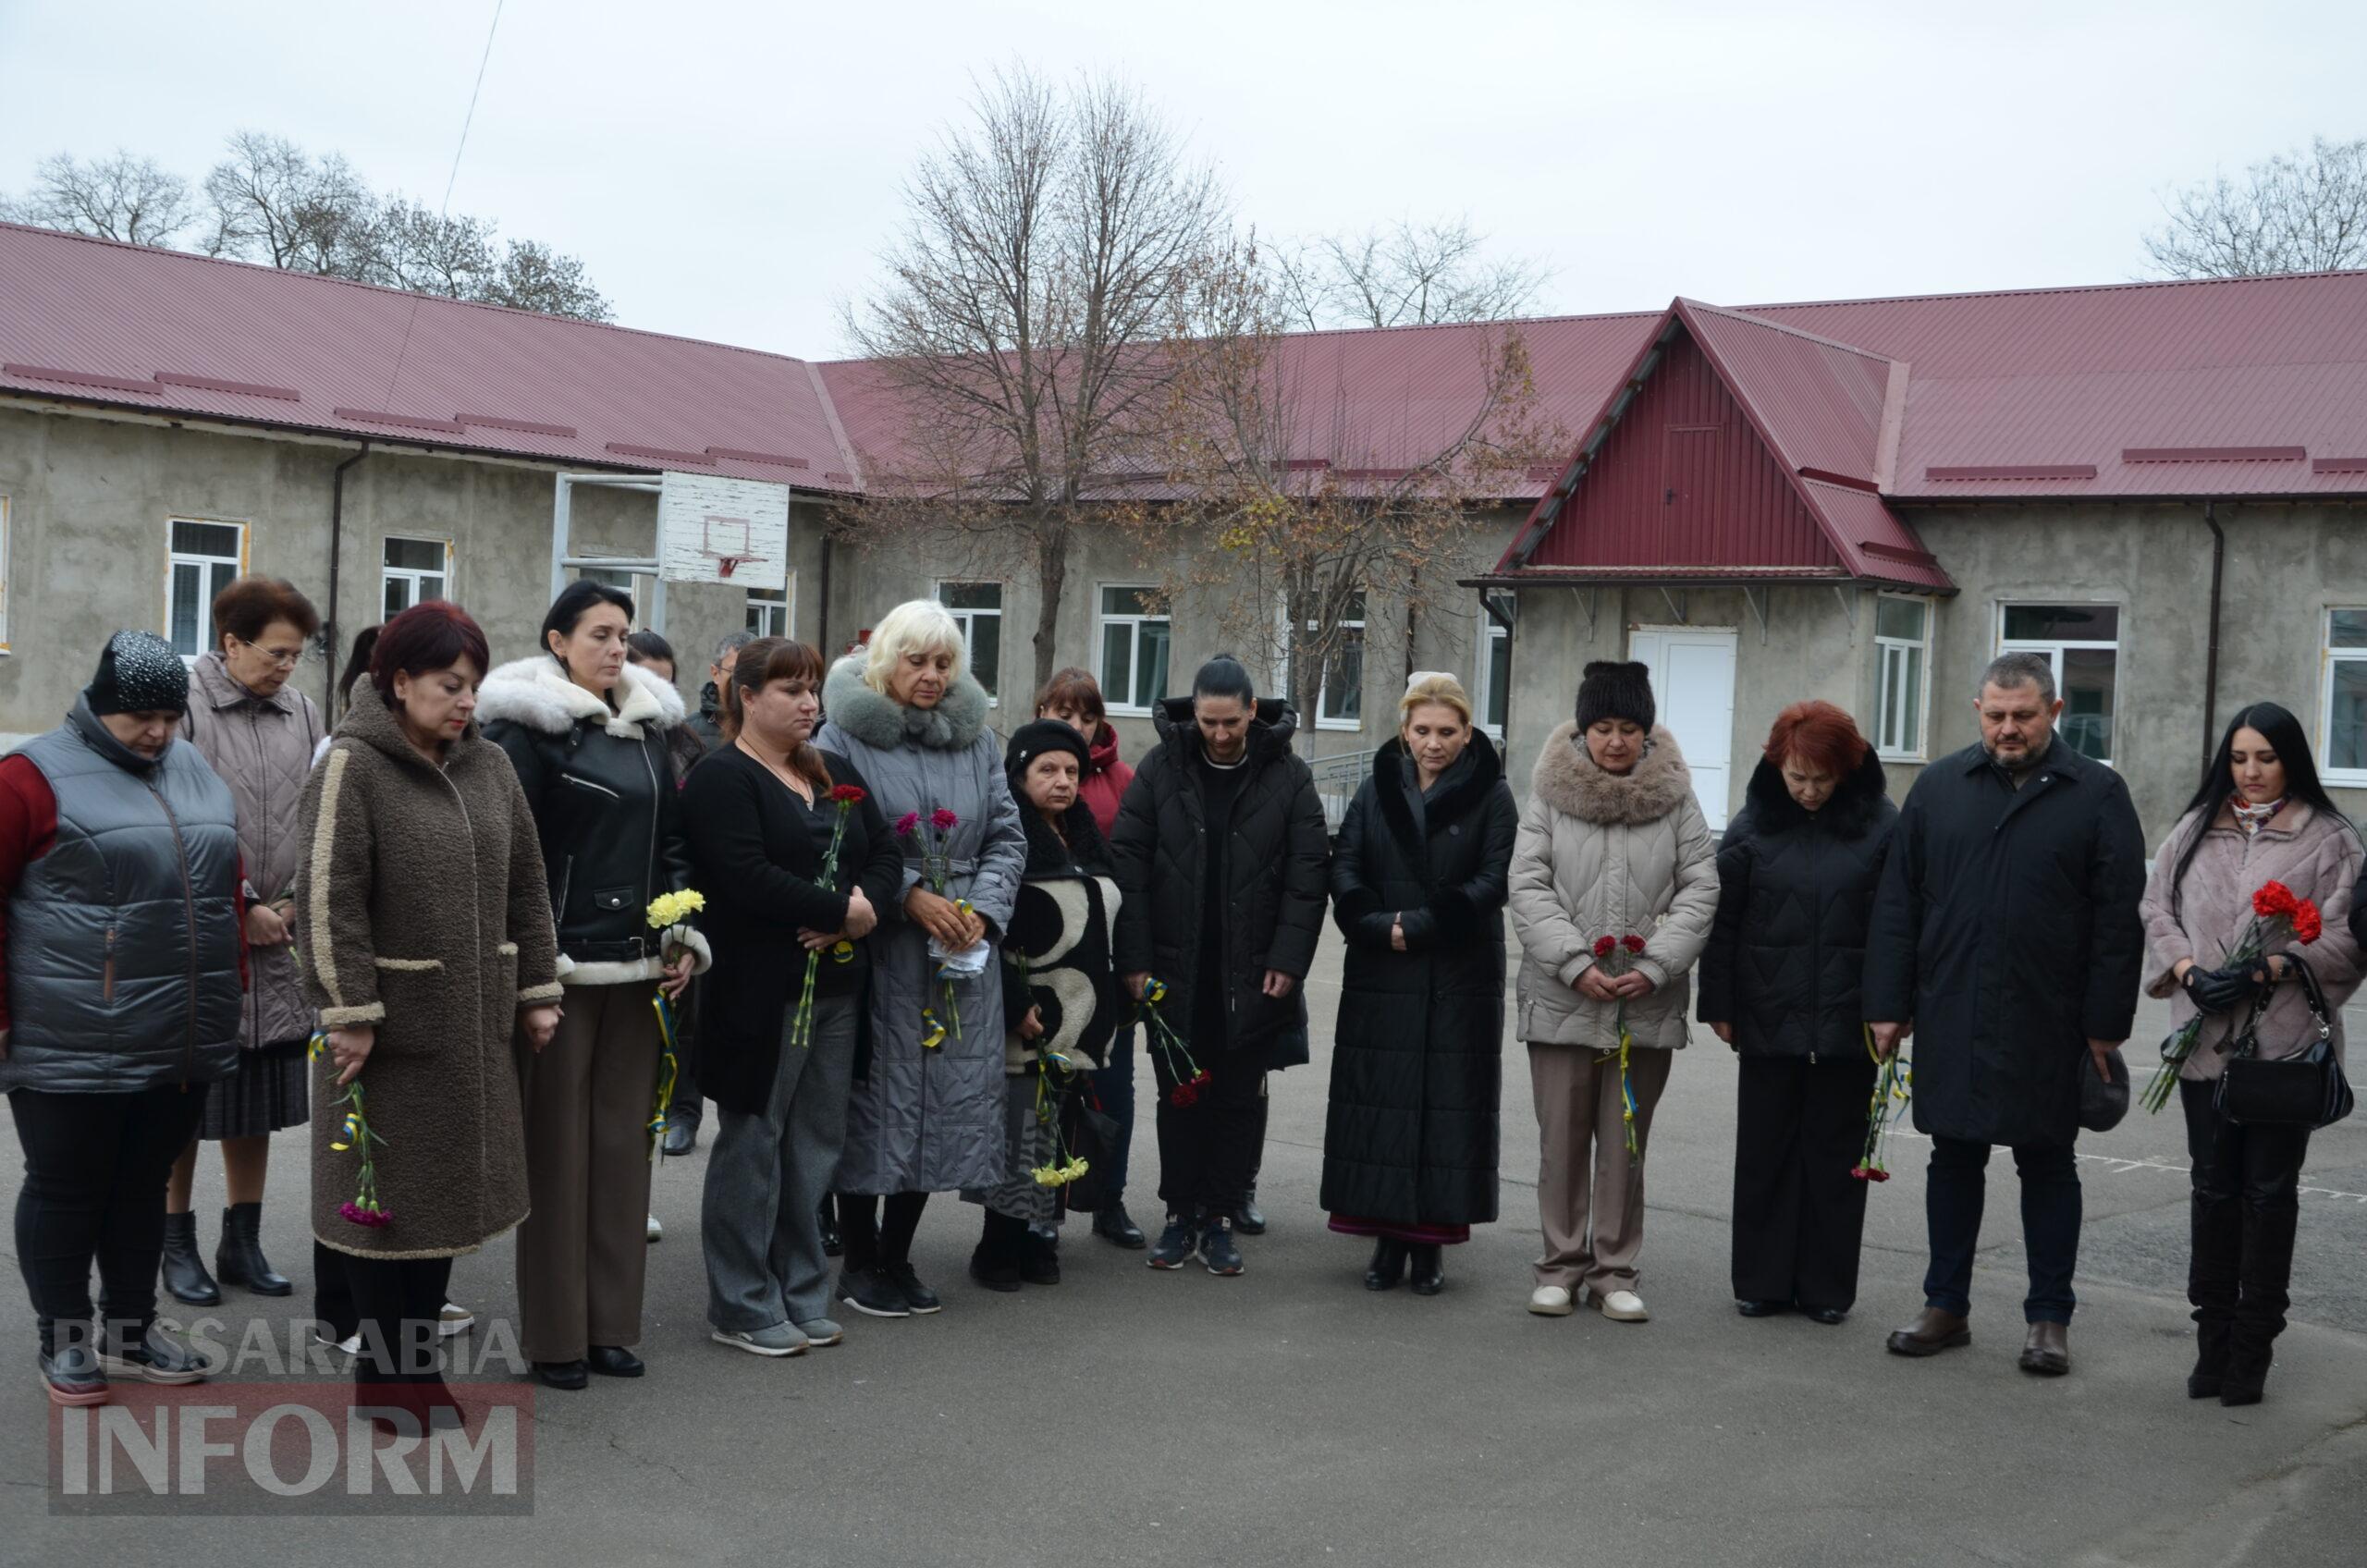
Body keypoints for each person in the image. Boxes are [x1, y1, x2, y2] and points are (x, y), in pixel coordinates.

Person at [295, 601, 564, 1430]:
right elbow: (324, 894)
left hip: (473, 1030)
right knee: (384, 1214)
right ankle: (384, 1380)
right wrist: (348, 1010)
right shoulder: (352, 764)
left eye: (474, 686)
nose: (465, 702)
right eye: (450, 685)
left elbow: (527, 883)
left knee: (447, 1205)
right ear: (399, 681)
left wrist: (539, 989)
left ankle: (417, 1373)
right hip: (383, 1035)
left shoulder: (488, 767)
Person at [1867, 652, 2145, 1377]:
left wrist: (2104, 1024)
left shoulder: (2097, 793)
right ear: (1977, 712)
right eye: (1996, 715)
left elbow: (2119, 921)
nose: (2008, 728)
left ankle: (2049, 1318)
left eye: (2023, 715)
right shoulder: (1937, 788)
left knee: (2047, 1162)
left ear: (2054, 712)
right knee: (1952, 1156)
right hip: (1954, 1004)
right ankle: (1945, 1306)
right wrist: (1888, 1005)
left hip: (2048, 1016)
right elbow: (1899, 903)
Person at [0, 631, 241, 1405]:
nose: (159, 732)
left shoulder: (192, 767)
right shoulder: (28, 777)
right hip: (67, 1032)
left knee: (142, 1185)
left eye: (171, 715)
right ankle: (64, 1340)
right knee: (68, 1187)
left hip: (179, 1033)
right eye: (140, 716)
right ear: (99, 706)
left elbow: (223, 888)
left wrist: (230, 985)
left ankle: (132, 1332)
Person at [479, 580, 708, 1390]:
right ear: (556, 641)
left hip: (642, 968)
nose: (616, 649)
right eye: (600, 635)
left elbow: (675, 845)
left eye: (623, 636)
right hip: (563, 972)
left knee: (620, 1152)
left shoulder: (654, 727)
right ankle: (555, 1337)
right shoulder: (522, 730)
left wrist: (684, 935)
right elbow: (510, 859)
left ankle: (611, 1327)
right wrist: (533, 972)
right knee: (557, 1155)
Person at [683, 638, 903, 1356]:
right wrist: (843, 909)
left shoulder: (830, 768)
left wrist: (858, 904)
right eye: (791, 691)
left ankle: (800, 1290)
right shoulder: (723, 778)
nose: (810, 703)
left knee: (815, 1146)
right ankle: (742, 1304)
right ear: (748, 697)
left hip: (838, 988)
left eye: (813, 689)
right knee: (755, 1141)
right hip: (759, 992)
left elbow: (886, 851)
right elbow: (743, 876)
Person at [2139, 702, 2361, 1405]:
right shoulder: (2197, 827)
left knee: (2269, 1194)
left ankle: (2254, 1345)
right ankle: (2212, 1337)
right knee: (2212, 1190)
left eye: (2265, 757)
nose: (2251, 771)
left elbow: (2351, 936)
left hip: (2282, 1051)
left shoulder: (2330, 838)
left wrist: (2275, 966)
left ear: (2290, 759)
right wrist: (2186, 972)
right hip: (2202, 1044)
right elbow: (2155, 907)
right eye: (2239, 758)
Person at [813, 600, 1025, 1317]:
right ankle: (860, 1259)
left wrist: (983, 909)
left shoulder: (977, 741)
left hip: (962, 949)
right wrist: (910, 895)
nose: (931, 676)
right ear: (885, 662)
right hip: (882, 948)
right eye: (916, 661)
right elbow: (834, 836)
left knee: (948, 1105)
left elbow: (1006, 835)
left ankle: (899, 1259)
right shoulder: (843, 734)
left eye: (944, 663)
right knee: (877, 1103)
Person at [1509, 662, 1717, 1323]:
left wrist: (1657, 965)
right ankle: (1560, 1266)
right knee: (1562, 1141)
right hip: (1565, 998)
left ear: (1647, 732)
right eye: (1603, 728)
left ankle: (1615, 1270)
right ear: (1583, 728)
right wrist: (1573, 962)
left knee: (1624, 1141)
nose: (1616, 742)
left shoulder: (1677, 799)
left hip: (1644, 1003)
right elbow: (1528, 884)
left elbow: (1701, 887)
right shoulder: (1549, 794)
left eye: (1630, 728)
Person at [1110, 655, 1329, 1277]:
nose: (1221, 734)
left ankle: (1222, 1218)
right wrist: (1134, 962)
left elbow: (1307, 878)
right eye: (1209, 721)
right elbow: (1129, 866)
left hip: (1253, 973)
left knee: (1237, 1100)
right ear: (1194, 712)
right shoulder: (1159, 769)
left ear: (1252, 711)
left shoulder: (1288, 778)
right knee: (1178, 1095)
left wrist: (1288, 960)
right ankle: (1179, 1216)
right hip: (1174, 972)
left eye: (1232, 721)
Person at [153, 578, 325, 1309]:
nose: (288, 668)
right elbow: (171, 817)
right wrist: (245, 902)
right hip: (204, 933)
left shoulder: (304, 708)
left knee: (253, 1098)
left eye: (297, 655)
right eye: (276, 653)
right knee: (187, 1099)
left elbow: (321, 806)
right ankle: (175, 1241)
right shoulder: (185, 706)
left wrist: (293, 900)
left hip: (280, 934)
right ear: (230, 643)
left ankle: (242, 1240)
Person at [1697, 701, 1895, 1325]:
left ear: (1847, 770)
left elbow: (1898, 927)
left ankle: (1827, 1289)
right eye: (1796, 778)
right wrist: (1720, 1004)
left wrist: (1893, 1008)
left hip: (1850, 1021)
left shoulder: (1882, 828)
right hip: (1766, 1015)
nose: (1808, 792)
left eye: (1822, 779)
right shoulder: (1752, 827)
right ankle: (1761, 1281)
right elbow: (1722, 923)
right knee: (1766, 1153)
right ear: (1777, 766)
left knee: (1837, 1159)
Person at [1321, 673, 1517, 1296]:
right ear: (1405, 731)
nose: (1434, 743)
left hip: (1457, 972)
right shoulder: (1377, 788)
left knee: (1444, 1107)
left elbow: (1496, 878)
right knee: (1384, 1101)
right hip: (1383, 968)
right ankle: (1385, 1238)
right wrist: (1376, 925)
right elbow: (1346, 864)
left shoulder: (1493, 794)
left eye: (1447, 732)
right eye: (1423, 731)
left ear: (1466, 733)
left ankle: (1430, 1246)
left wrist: (1426, 925)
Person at [967, 719, 1123, 1290]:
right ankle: (996, 1245)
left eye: (1072, 772)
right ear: (1020, 775)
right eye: (1048, 770)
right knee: (1019, 1129)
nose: (1062, 782)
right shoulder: (1009, 839)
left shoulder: (1083, 836)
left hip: (1078, 1020)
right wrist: (1013, 1005)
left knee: (1057, 1130)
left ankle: (1037, 1238)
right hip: (1030, 1017)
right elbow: (995, 932)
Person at [1036, 667, 1145, 1248]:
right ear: (1042, 712)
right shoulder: (1023, 772)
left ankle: (1109, 1200)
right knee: (1047, 1088)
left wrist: (1134, 959)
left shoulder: (1124, 779)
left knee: (1114, 1087)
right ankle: (1043, 1206)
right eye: (1062, 714)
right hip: (1048, 961)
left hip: (1105, 962)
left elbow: (1133, 874)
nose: (1076, 726)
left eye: (1085, 715)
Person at [625, 629, 717, 1170]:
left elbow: (691, 835)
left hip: (674, 896)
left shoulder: (685, 743)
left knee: (681, 1010)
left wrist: (687, 917)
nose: (657, 692)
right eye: (646, 679)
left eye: (667, 681)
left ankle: (683, 1113)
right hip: (616, 905)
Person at [687, 630, 756, 752]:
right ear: (715, 673)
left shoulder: (776, 730)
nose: (745, 681)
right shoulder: (689, 731)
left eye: (754, 672)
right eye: (736, 671)